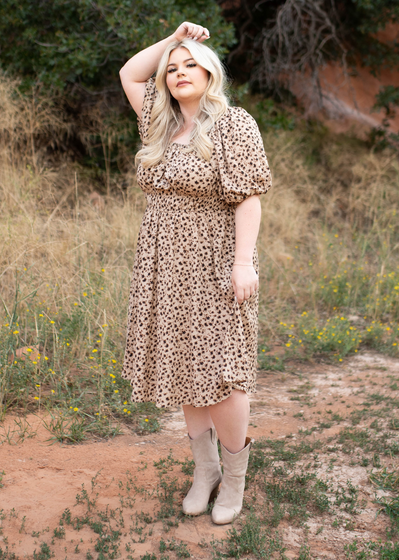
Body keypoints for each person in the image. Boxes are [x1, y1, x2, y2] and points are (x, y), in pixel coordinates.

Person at [120, 22, 271, 525]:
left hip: (215, 260)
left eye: (191, 64)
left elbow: (248, 198)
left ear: (211, 73)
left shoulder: (234, 124)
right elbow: (129, 71)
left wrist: (242, 262)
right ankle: (203, 472)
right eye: (173, 69)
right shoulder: (158, 124)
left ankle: (233, 480)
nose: (180, 72)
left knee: (225, 372)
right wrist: (172, 40)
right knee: (185, 365)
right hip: (164, 264)